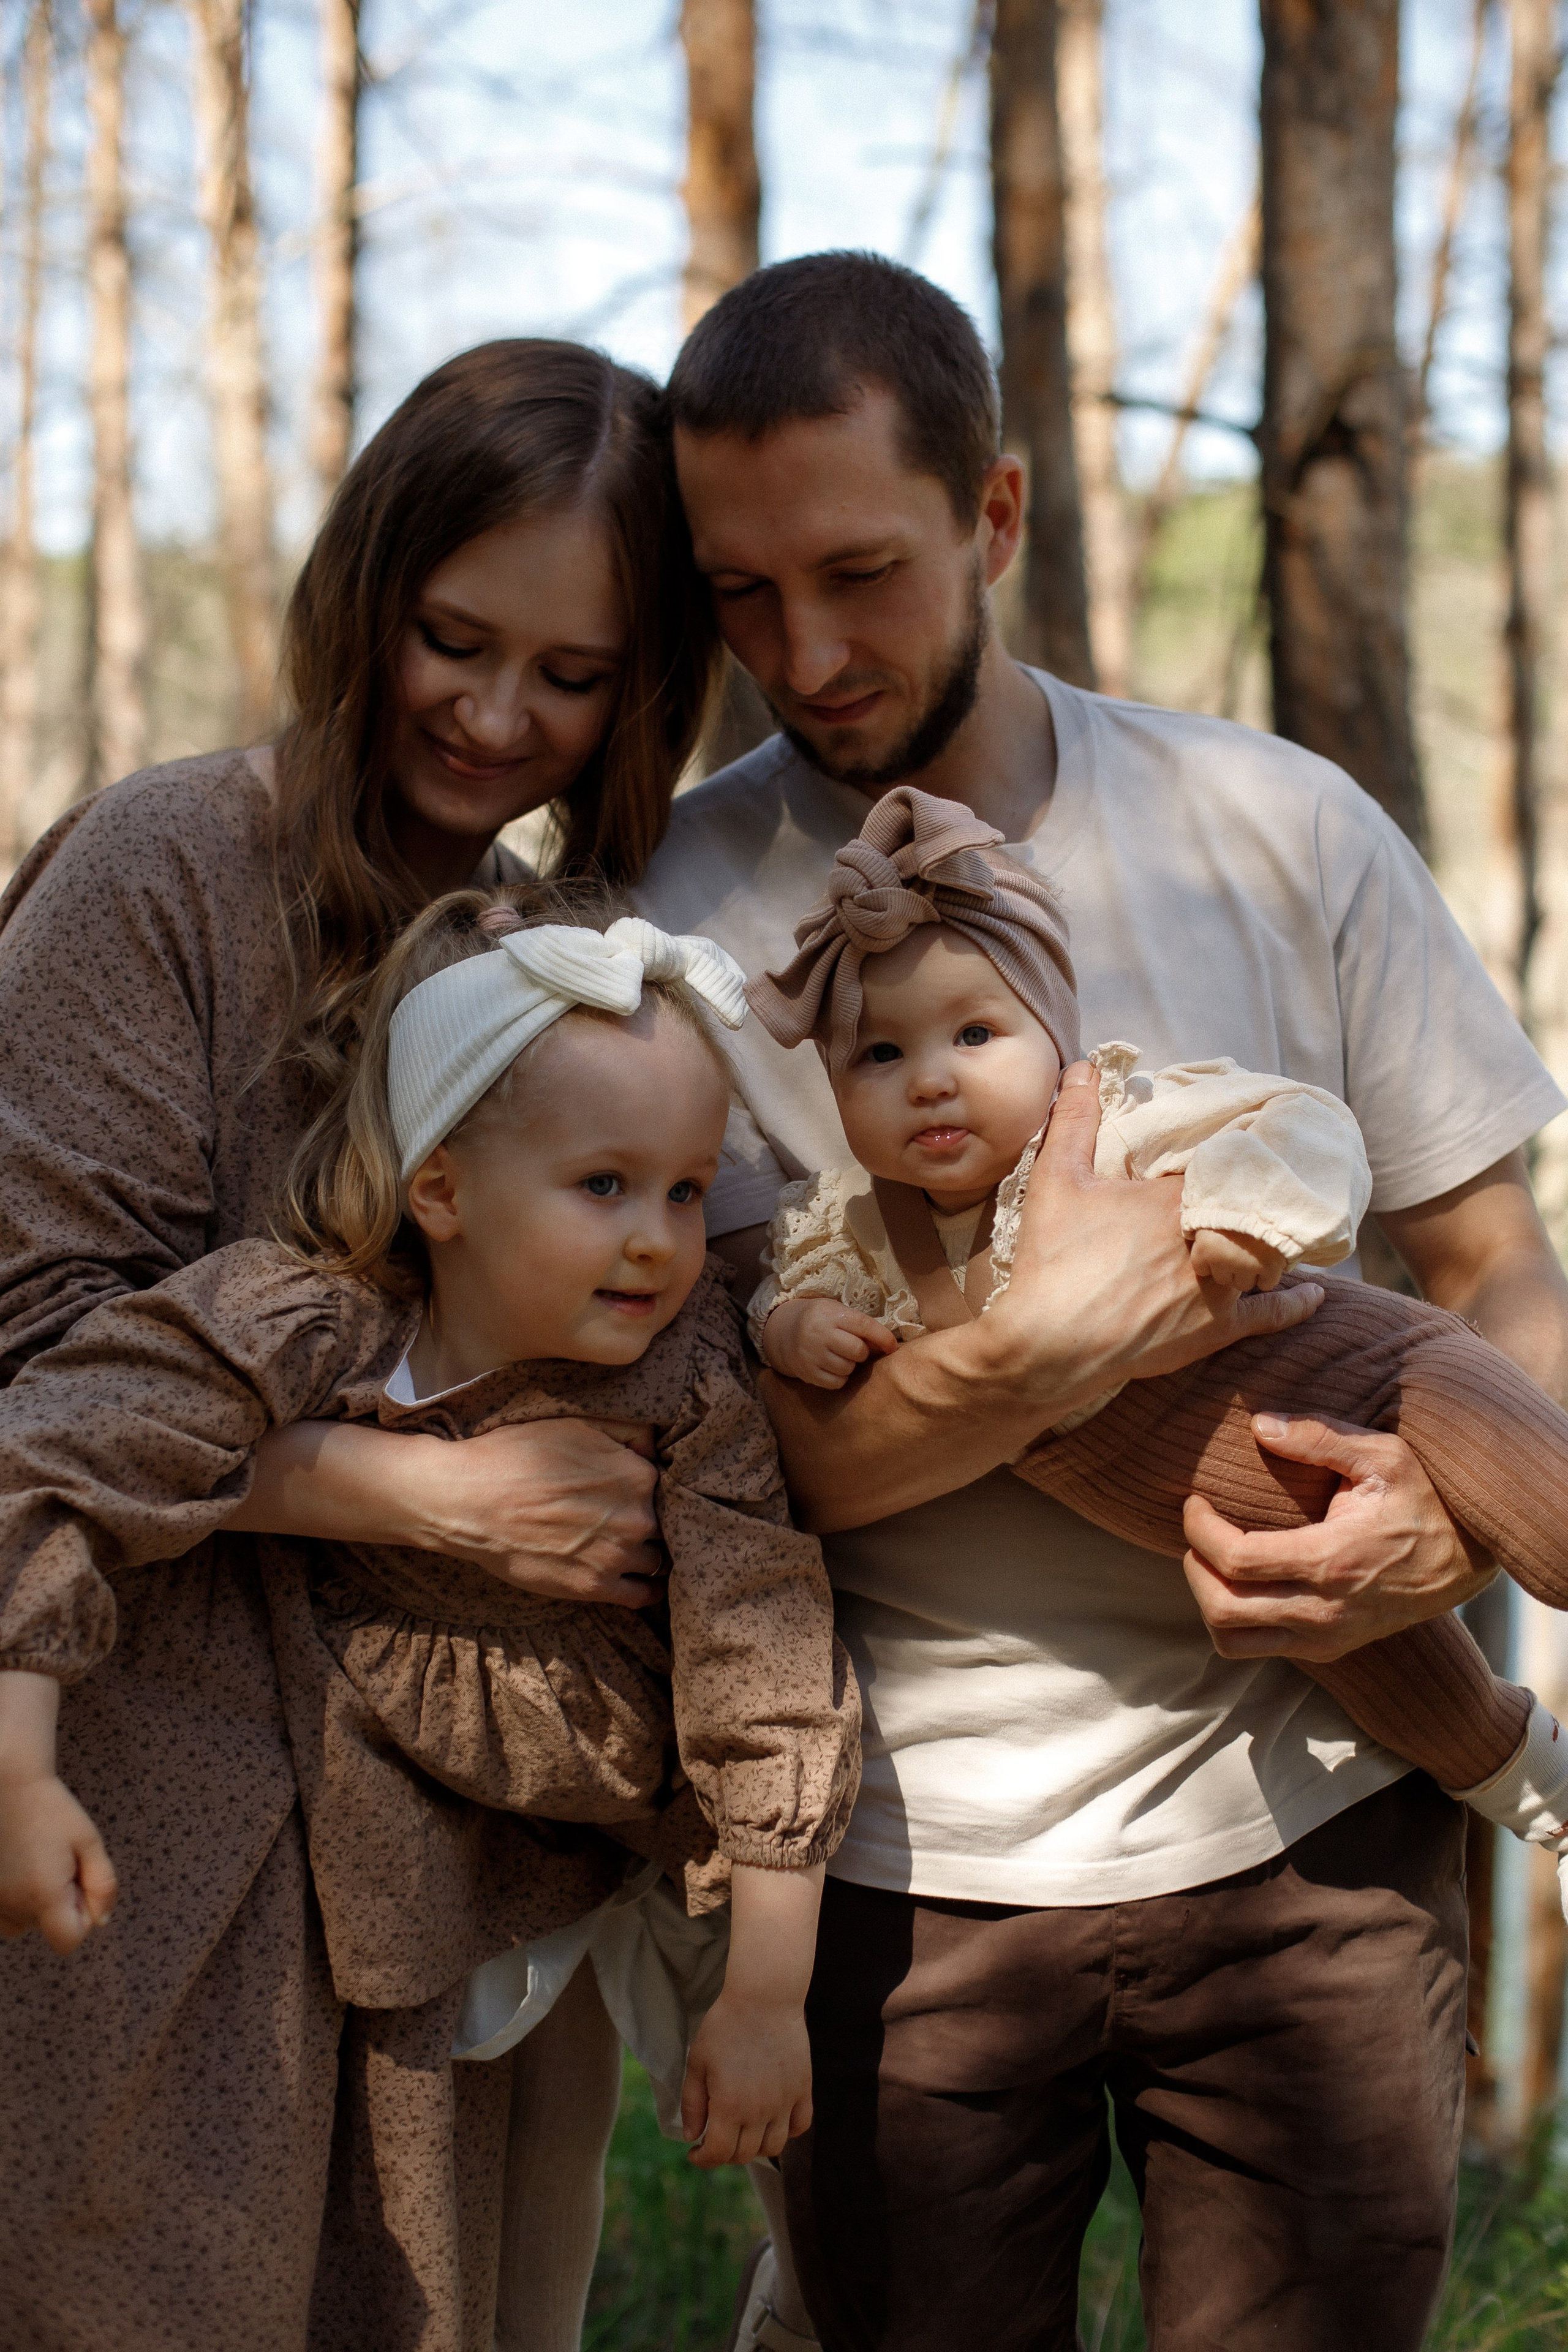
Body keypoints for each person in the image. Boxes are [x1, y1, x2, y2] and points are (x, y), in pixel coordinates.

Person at [627, 251, 1568, 2349]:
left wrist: (1442, 1525)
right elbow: (716, 1471)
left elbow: (1494, 1264)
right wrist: (1036, 1356)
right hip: (897, 1882)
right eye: (741, 594)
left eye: (861, 573)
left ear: (997, 515)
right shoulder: (665, 932)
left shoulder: (1276, 823)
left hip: (1321, 1833)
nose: (805, 653)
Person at [0, 339, 718, 2352]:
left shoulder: (560, 953)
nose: (493, 716)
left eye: (569, 676)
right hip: (141, 1803)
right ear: (365, 591)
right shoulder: (160, 870)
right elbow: (37, 1365)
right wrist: (433, 1498)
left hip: (453, 1847)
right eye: (451, 640)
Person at [0, 892, 857, 2253]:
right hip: (341, 1835)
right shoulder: (311, 1324)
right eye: (603, 1185)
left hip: (630, 1845)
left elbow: (764, 1662)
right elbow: (70, 1450)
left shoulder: (689, 1383)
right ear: (442, 1191)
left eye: (688, 1190)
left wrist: (764, 1994)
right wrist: (18, 1767)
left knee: (712, 2210)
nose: (658, 1237)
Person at [746, 783, 1568, 1884]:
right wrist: (794, 1328)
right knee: (1429, 1703)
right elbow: (778, 1303)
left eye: (975, 1034)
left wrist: (1244, 1216)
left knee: (1547, 1510)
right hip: (1243, 1531)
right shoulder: (853, 1228)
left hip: (1374, 1380)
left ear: (1055, 1038)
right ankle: (1546, 1795)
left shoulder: (1114, 1129)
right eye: (879, 1056)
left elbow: (1305, 1130)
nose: (931, 1079)